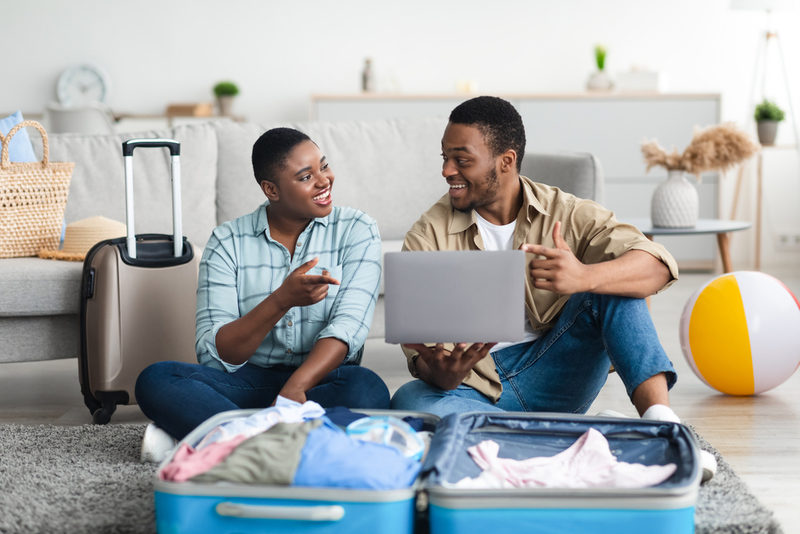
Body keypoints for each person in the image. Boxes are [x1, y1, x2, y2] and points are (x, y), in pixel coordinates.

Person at [390, 96, 681, 424]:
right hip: (474, 388)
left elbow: (657, 264)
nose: (446, 170)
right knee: (409, 399)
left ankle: (662, 424)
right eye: (445, 158)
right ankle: (575, 431)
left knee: (612, 286)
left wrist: (584, 277)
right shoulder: (427, 235)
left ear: (506, 160)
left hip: (555, 375)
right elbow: (427, 361)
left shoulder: (565, 212)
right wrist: (445, 373)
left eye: (461, 159)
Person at [136, 127, 389, 459]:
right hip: (245, 382)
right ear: (271, 189)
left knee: (367, 390)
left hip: (319, 382)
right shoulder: (228, 241)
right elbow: (216, 353)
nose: (324, 180)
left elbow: (348, 328)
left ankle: (223, 439)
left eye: (323, 167)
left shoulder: (357, 229)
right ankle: (283, 443)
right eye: (305, 176)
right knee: (157, 379)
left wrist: (294, 389)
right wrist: (281, 300)